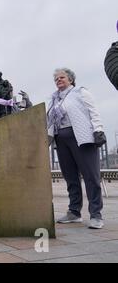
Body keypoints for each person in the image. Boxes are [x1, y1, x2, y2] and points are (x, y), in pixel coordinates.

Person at [47, 68, 107, 229]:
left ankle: (96, 215)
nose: (58, 80)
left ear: (71, 80)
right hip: (61, 139)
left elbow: (93, 111)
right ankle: (74, 212)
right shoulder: (54, 99)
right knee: (71, 177)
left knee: (91, 176)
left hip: (81, 137)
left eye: (62, 77)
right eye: (56, 79)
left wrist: (98, 129)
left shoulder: (80, 92)